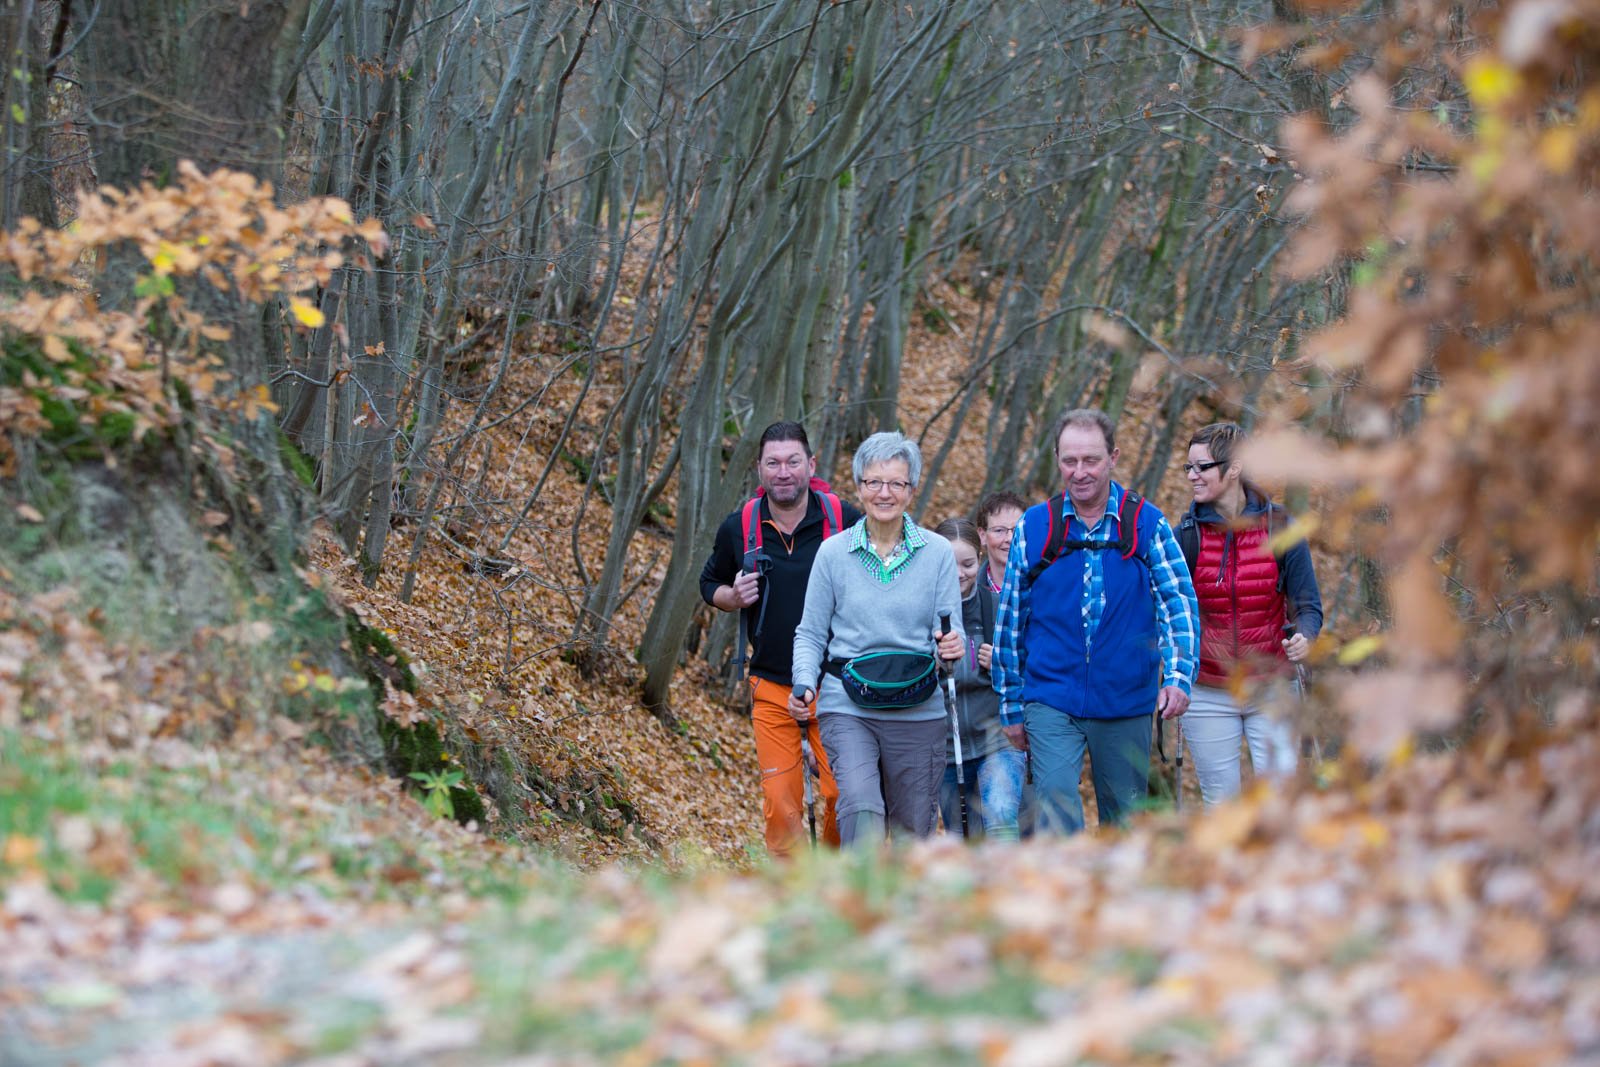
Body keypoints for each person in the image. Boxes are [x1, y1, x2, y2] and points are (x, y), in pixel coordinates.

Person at [993, 408, 1199, 833]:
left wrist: (1178, 677)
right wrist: (1011, 703)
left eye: (1091, 460)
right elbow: (1011, 621)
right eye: (1070, 460)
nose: (1080, 471)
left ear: (1113, 458)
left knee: (1124, 821)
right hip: (1051, 697)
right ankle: (1065, 894)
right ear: (1057, 459)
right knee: (1055, 805)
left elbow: (1177, 603)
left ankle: (1117, 897)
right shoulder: (1036, 526)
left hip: (1126, 699)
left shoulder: (1147, 523)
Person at [789, 432, 965, 846]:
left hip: (920, 708)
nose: (884, 493)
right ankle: (860, 906)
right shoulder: (833, 553)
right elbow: (810, 633)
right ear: (859, 486)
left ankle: (903, 909)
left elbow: (952, 640)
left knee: (912, 831)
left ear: (911, 490)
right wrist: (804, 680)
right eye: (874, 482)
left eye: (896, 484)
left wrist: (954, 650)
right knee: (862, 805)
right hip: (847, 704)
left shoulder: (938, 553)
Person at [700, 421, 863, 858]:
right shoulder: (739, 528)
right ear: (759, 469)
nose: (783, 471)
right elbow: (708, 582)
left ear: (811, 465)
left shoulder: (845, 521)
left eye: (793, 461)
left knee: (842, 797)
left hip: (839, 686)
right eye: (773, 462)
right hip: (772, 684)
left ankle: (833, 878)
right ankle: (790, 896)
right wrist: (732, 597)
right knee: (782, 804)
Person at [1178, 421, 1324, 807]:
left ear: (1235, 467)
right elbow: (1172, 611)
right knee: (1221, 805)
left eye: (1202, 467)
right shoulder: (1186, 537)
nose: (1192, 476)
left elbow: (1308, 603)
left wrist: (1305, 637)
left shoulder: (1280, 528)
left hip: (1272, 684)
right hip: (1207, 689)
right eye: (1188, 467)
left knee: (1279, 802)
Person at [933, 517, 1025, 841]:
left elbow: (1028, 674)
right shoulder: (920, 614)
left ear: (980, 559)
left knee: (1000, 819)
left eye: (968, 563)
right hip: (943, 749)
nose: (959, 573)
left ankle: (1010, 892)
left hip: (997, 741)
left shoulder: (999, 608)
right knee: (964, 839)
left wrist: (1001, 666)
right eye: (949, 563)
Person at [975, 491, 1027, 597]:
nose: (1010, 538)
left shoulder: (1044, 586)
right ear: (982, 535)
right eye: (999, 530)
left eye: (1016, 530)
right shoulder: (968, 591)